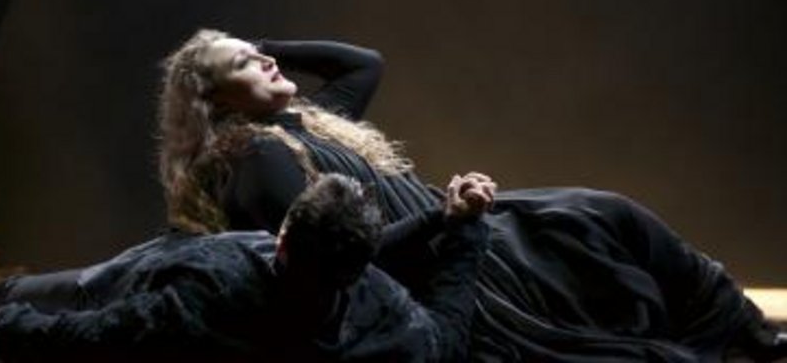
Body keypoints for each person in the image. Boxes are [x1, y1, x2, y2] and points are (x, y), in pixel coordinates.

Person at [153, 30, 785, 363]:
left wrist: (253, 48)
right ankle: (739, 334)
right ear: (217, 102)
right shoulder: (257, 160)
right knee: (595, 228)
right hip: (434, 261)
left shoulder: (306, 123)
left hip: (456, 226)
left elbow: (363, 63)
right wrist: (447, 218)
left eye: (261, 55)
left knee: (606, 213)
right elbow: (347, 260)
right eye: (245, 66)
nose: (267, 63)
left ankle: (739, 326)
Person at [0, 171, 493, 362]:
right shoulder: (386, 326)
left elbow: (88, 337)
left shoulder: (207, 295)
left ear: (283, 240)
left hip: (105, 288)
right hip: (127, 282)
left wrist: (8, 322)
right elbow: (447, 336)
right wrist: (458, 225)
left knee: (16, 295)